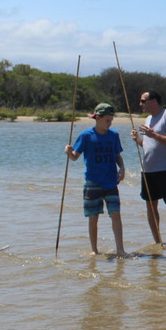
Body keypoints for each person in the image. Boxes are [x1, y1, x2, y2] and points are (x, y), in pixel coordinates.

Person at [65, 103, 127, 256]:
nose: (110, 123)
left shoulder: (114, 135)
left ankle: (120, 250)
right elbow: (74, 157)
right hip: (92, 182)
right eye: (107, 120)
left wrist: (122, 168)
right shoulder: (86, 136)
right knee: (93, 218)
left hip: (111, 182)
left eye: (111, 120)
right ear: (97, 118)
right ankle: (94, 250)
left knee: (116, 215)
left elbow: (117, 155)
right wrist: (68, 152)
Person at [130, 90, 166, 245]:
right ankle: (157, 242)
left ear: (153, 101)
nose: (140, 104)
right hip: (148, 171)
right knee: (150, 205)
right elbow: (149, 145)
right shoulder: (148, 118)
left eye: (143, 101)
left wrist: (154, 135)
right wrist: (138, 140)